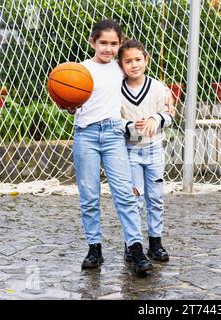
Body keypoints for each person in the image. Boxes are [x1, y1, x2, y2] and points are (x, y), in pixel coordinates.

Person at [66, 19, 153, 274]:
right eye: (103, 42)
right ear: (92, 42)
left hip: (114, 133)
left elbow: (142, 77)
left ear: (120, 44)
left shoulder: (120, 68)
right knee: (89, 196)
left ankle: (135, 248)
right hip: (86, 135)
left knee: (125, 194)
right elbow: (71, 103)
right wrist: (69, 105)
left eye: (114, 43)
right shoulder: (78, 71)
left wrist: (164, 97)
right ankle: (95, 248)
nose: (108, 48)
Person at [118, 39, 173, 263]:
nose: (134, 65)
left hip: (153, 151)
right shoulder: (117, 90)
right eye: (128, 61)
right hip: (130, 152)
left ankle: (155, 242)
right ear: (121, 65)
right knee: (134, 199)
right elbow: (113, 118)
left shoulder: (159, 88)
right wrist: (129, 126)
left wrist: (155, 118)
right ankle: (132, 243)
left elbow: (169, 116)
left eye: (138, 59)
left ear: (146, 61)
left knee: (156, 197)